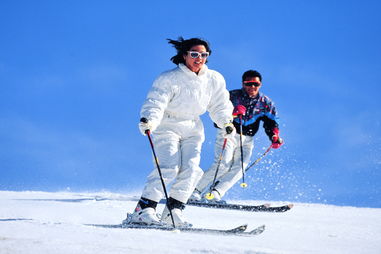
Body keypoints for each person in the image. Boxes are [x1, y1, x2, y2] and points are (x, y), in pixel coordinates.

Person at [125, 37, 234, 227]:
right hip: (167, 125)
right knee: (169, 166)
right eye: (194, 54)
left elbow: (220, 104)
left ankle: (173, 211)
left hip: (192, 127)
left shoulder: (213, 79)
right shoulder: (169, 78)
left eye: (203, 55)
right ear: (184, 55)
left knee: (192, 170)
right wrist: (149, 119)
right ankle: (143, 210)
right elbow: (156, 101)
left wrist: (226, 122)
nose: (199, 58)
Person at [189, 70, 284, 202]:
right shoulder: (231, 96)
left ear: (260, 84)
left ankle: (216, 192)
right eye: (248, 84)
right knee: (223, 164)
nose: (252, 87)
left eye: (255, 84)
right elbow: (217, 114)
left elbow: (271, 122)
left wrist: (274, 136)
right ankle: (194, 191)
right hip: (229, 133)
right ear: (243, 84)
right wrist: (232, 114)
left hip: (247, 139)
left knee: (240, 168)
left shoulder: (265, 102)